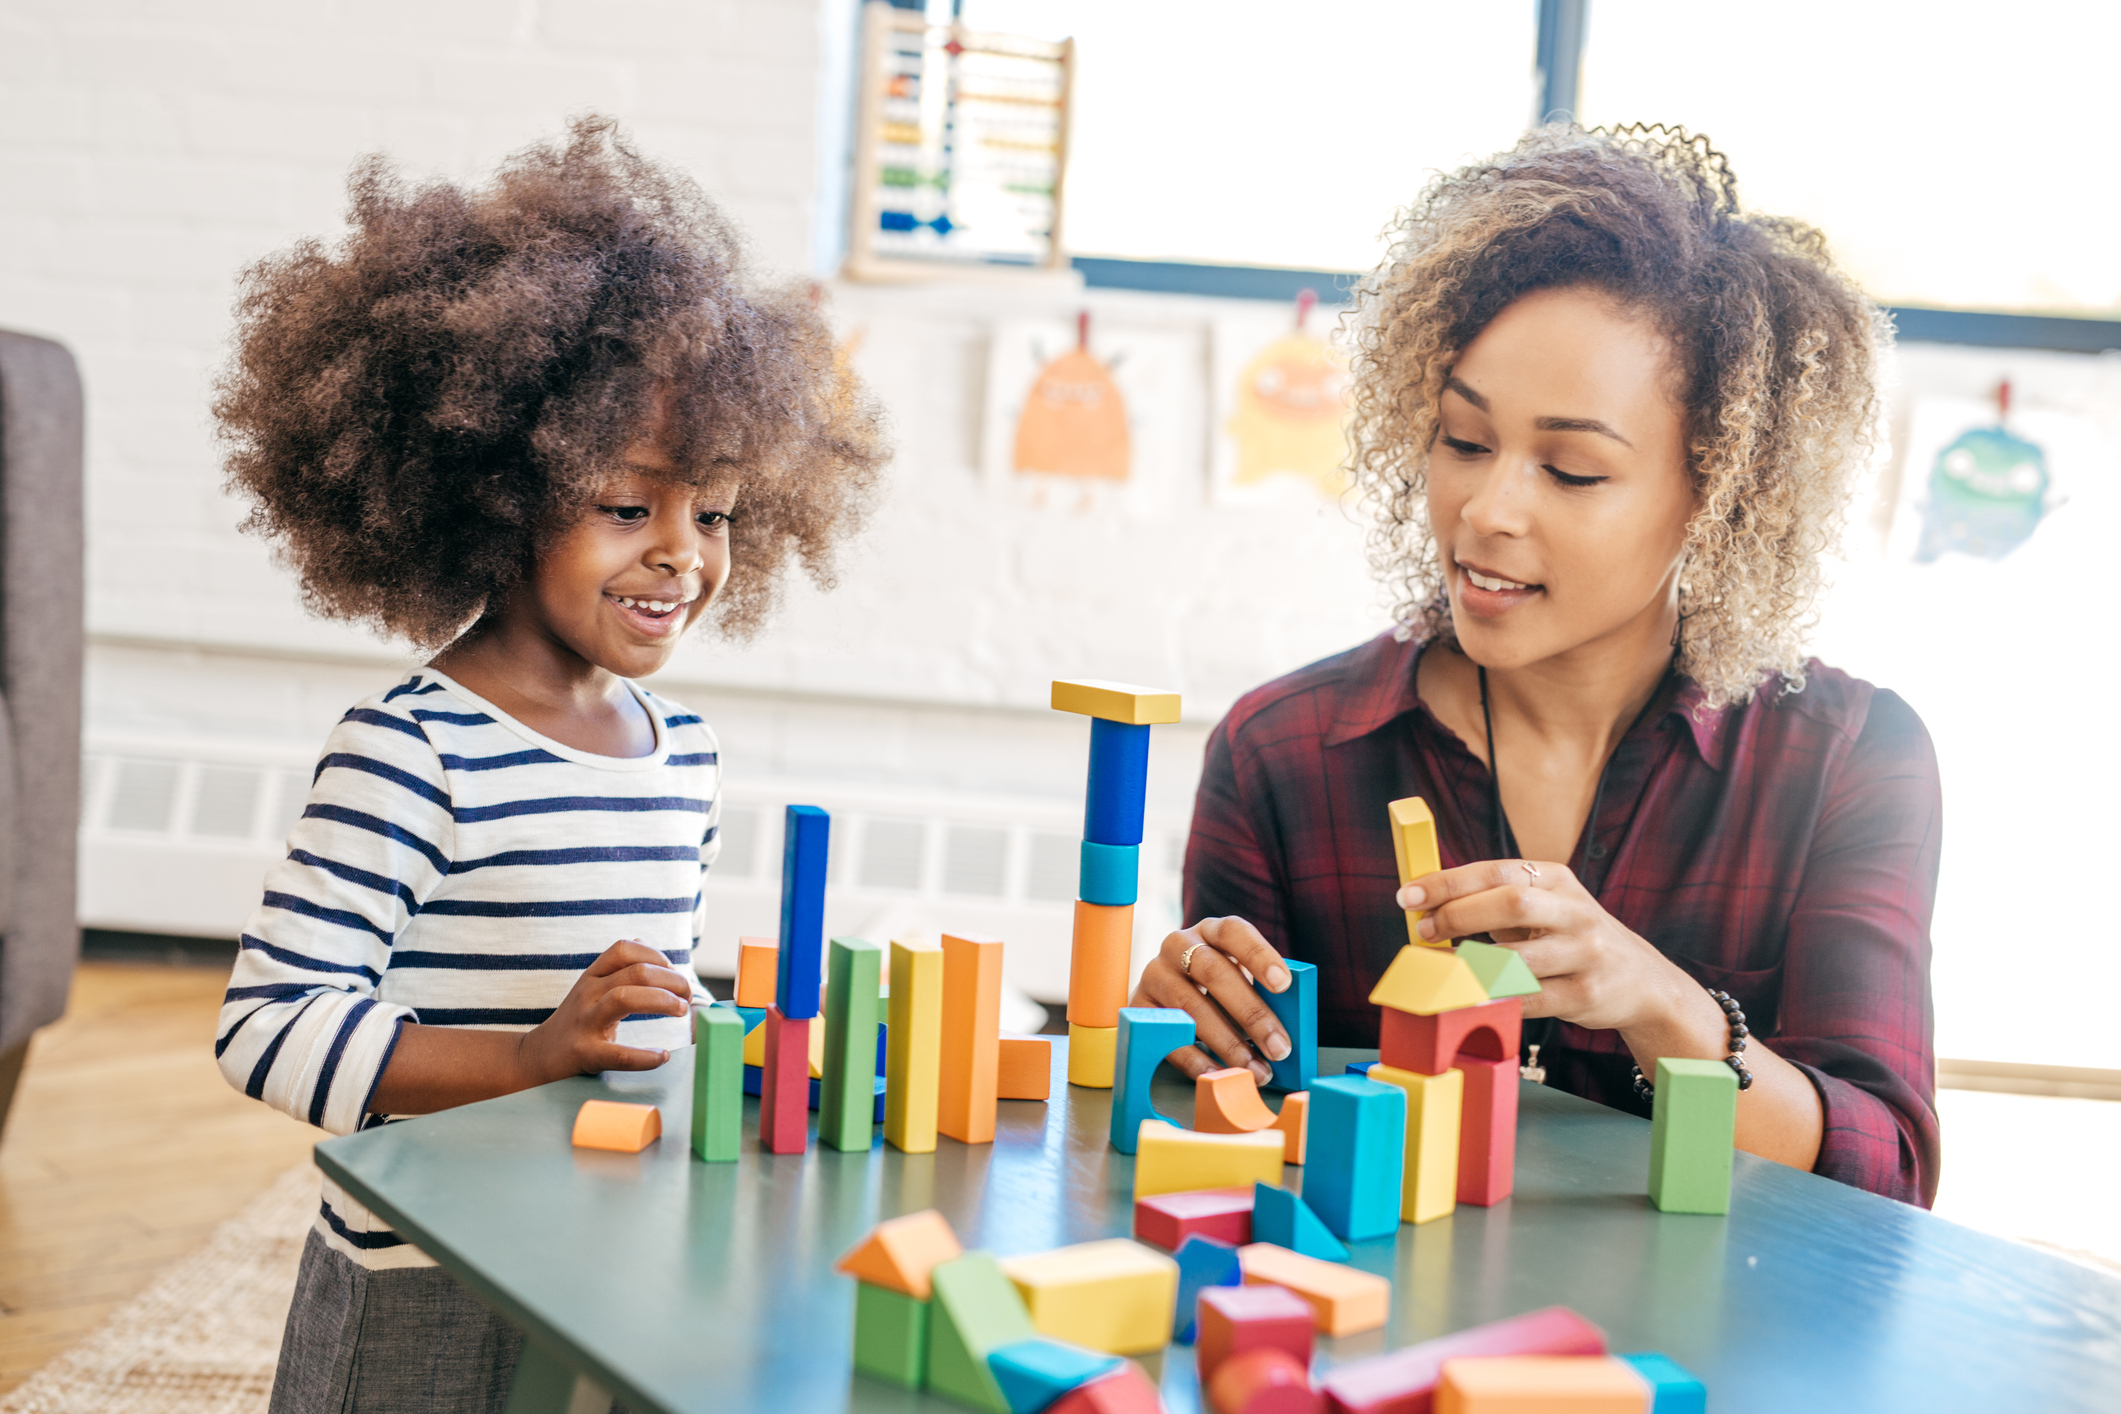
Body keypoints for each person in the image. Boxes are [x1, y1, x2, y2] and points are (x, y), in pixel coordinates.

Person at [1133, 126, 1941, 1207]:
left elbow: (1882, 1168)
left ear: (1717, 494)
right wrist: (1178, 1041)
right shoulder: (1283, 752)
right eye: (1464, 441)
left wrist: (1660, 1002)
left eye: (1571, 469)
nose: (1486, 509)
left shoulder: (1847, 760)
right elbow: (1232, 1145)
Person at [212, 118, 885, 1411]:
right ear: (494, 489)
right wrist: (530, 1057)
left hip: (598, 1255)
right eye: (627, 506)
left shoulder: (682, 751)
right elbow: (269, 1029)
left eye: (717, 511)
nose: (683, 552)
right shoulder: (413, 750)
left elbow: (636, 1018)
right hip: (423, 1272)